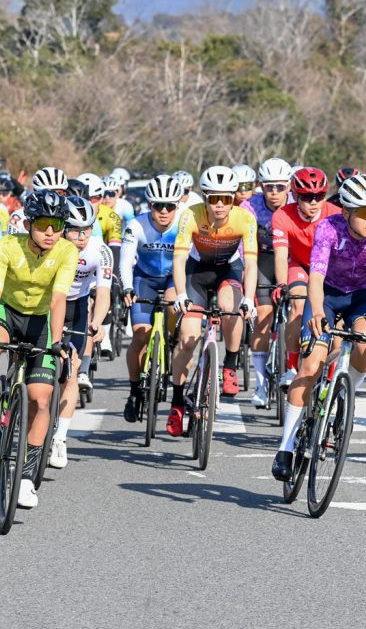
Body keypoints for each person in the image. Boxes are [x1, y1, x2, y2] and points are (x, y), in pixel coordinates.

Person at [272, 173, 366, 481]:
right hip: (327, 296)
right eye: (365, 212)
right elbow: (315, 277)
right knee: (311, 364)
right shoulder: (328, 228)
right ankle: (286, 447)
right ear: (346, 212)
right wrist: (317, 311)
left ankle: (346, 393)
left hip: (361, 296)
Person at [0, 190, 78, 509]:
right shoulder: (6, 246)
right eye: (43, 224)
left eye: (57, 225)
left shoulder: (67, 251)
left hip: (40, 321)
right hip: (7, 311)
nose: (50, 232)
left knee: (41, 399)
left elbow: (58, 299)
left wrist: (57, 341)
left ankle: (26, 478)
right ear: (28, 224)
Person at [168, 166, 257, 436]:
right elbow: (179, 259)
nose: (219, 205)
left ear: (233, 199)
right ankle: (177, 401)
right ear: (205, 197)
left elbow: (250, 264)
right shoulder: (190, 215)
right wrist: (181, 294)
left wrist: (249, 299)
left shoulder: (245, 218)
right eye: (214, 198)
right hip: (197, 272)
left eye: (226, 199)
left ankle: (229, 365)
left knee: (232, 308)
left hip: (228, 270)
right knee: (188, 339)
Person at [53, 196, 112, 468]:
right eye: (75, 231)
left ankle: (60, 438)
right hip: (49, 303)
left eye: (86, 230)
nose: (81, 237)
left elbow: (103, 293)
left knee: (71, 371)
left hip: (77, 305)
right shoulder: (53, 246)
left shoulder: (100, 250)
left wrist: (97, 321)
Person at [271, 170, 341, 388]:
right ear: (294, 196)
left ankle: (330, 376)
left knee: (338, 317)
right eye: (306, 197)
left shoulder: (336, 214)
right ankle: (291, 367)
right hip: (300, 265)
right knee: (298, 304)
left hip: (329, 268)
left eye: (319, 196)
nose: (313, 202)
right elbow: (281, 255)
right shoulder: (282, 215)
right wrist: (282, 284)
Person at [121, 174, 182, 422]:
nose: (164, 211)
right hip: (144, 278)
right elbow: (125, 261)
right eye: (158, 206)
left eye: (170, 206)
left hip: (173, 278)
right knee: (140, 334)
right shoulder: (136, 225)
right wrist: (127, 288)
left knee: (174, 306)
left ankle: (173, 338)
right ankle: (135, 390)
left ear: (177, 205)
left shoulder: (184, 224)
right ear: (149, 205)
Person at [243, 158, 294, 405]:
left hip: (291, 260)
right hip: (262, 259)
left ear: (289, 186)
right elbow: (244, 245)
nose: (274, 192)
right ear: (260, 186)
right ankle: (261, 384)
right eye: (268, 186)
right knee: (263, 316)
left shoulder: (296, 203)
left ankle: (292, 365)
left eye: (280, 187)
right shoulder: (250, 206)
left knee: (296, 311)